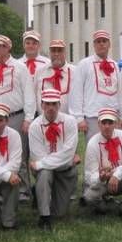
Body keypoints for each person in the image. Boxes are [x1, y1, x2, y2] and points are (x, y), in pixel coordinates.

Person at [0, 34, 36, 202]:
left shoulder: (20, 67)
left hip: (15, 116)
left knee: (18, 154)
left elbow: (29, 94)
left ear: (7, 48)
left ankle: (22, 190)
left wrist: (28, 118)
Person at [28, 89, 79, 231]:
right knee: (44, 174)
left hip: (64, 170)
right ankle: (44, 217)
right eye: (47, 104)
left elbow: (68, 153)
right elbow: (38, 155)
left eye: (54, 104)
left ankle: (39, 191)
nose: (50, 108)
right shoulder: (34, 126)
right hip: (47, 170)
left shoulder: (70, 122)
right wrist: (65, 160)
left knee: (59, 213)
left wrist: (41, 164)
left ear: (59, 105)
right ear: (42, 105)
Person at [83, 108, 122, 216]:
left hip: (121, 179)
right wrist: (101, 177)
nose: (107, 126)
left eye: (110, 123)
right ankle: (105, 205)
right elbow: (88, 176)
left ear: (116, 124)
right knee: (88, 197)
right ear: (98, 124)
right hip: (103, 183)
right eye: (104, 123)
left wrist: (117, 174)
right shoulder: (92, 143)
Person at [69, 30, 122, 142]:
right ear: (94, 45)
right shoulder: (84, 64)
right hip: (93, 117)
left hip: (113, 116)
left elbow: (119, 92)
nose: (101, 44)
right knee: (95, 149)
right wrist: (79, 118)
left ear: (109, 44)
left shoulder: (114, 64)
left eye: (104, 41)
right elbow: (76, 92)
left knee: (114, 148)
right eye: (98, 41)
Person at [35, 39, 75, 115]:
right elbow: (34, 94)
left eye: (60, 50)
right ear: (50, 53)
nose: (56, 54)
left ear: (65, 53)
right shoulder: (40, 72)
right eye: (53, 51)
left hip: (69, 120)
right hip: (44, 120)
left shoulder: (75, 72)